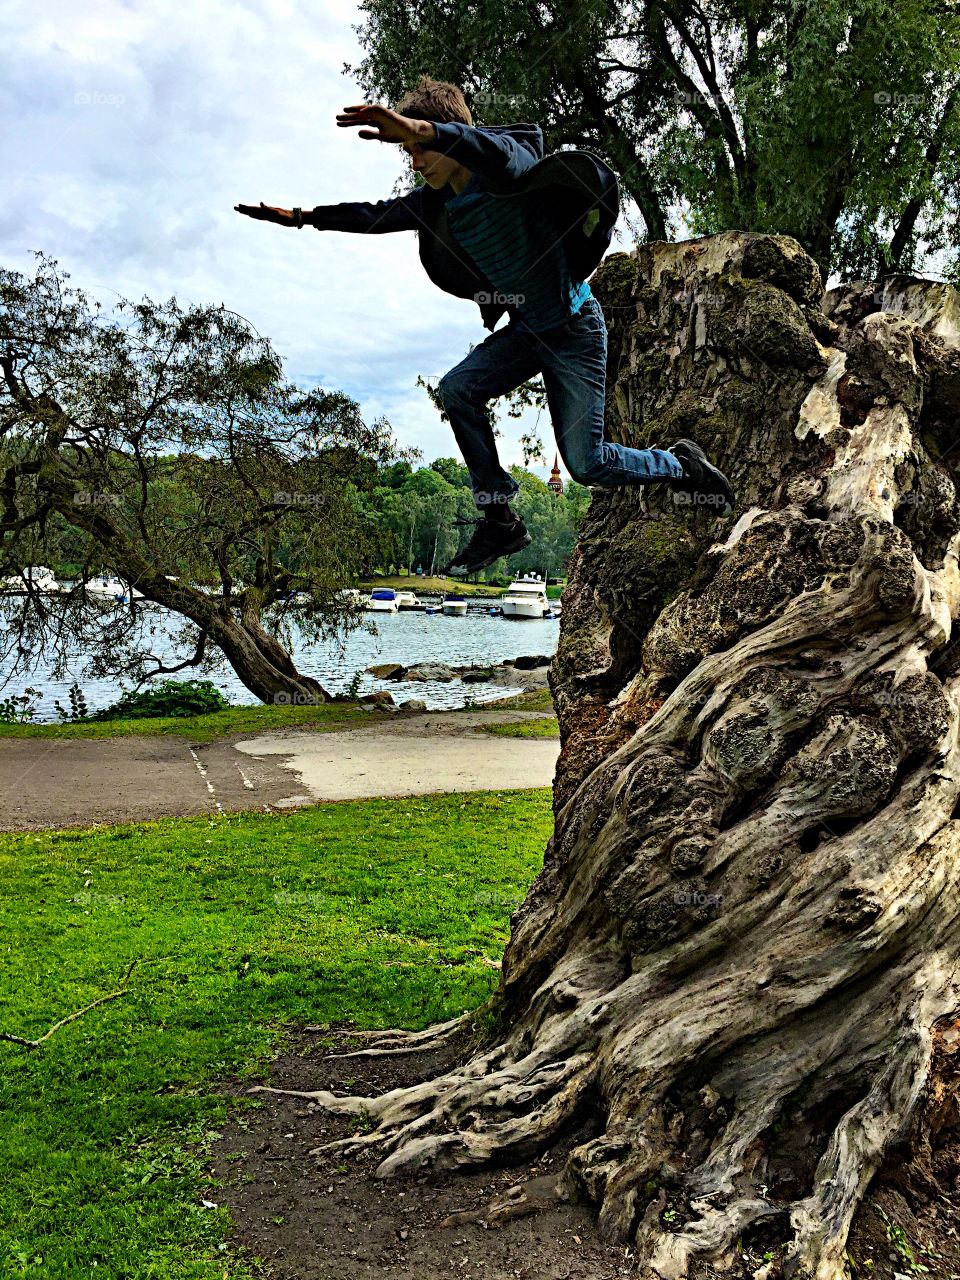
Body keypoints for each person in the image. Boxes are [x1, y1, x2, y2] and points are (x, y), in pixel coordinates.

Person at [235, 76, 736, 575]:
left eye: (419, 149)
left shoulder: (504, 163)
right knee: (457, 390)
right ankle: (499, 517)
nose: (414, 162)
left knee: (587, 465)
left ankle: (678, 463)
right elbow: (374, 215)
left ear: (445, 135)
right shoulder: (435, 202)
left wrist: (421, 128)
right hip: (527, 333)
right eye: (407, 152)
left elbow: (491, 149)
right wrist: (301, 217)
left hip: (575, 330)